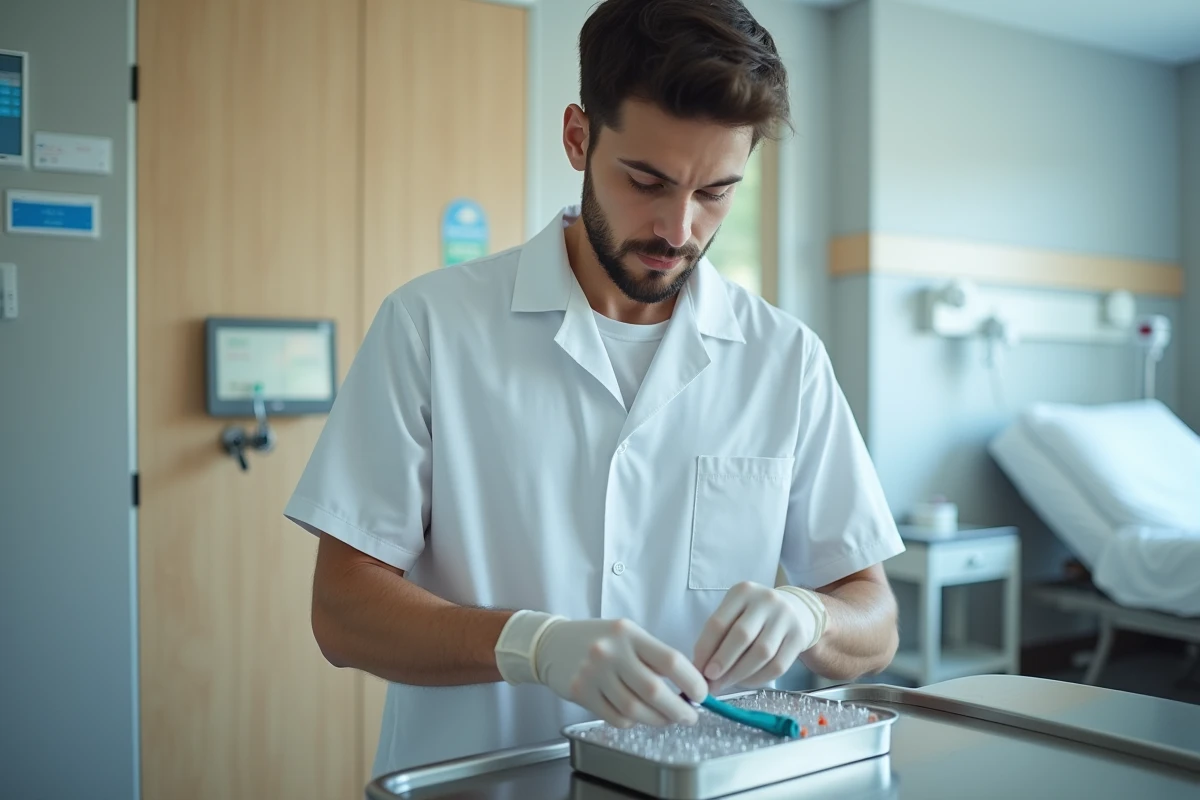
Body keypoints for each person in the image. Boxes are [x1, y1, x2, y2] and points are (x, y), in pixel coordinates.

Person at [284, 0, 904, 778]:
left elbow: (874, 621)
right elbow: (342, 613)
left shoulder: (786, 359)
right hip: (481, 784)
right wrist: (531, 645)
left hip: (703, 785)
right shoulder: (430, 326)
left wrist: (811, 614)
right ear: (579, 137)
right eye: (648, 180)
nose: (679, 228)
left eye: (716, 192)